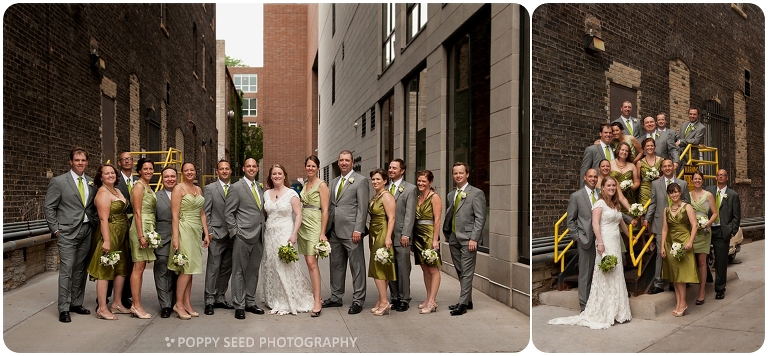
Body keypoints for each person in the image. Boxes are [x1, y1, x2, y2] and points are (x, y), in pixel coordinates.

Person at [549, 176, 632, 329]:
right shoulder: (599, 203)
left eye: (614, 186)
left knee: (616, 274)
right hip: (605, 242)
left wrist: (631, 237)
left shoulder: (615, 204)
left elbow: (621, 223)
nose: (612, 188)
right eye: (608, 185)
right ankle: (603, 311)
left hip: (615, 243)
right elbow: (595, 223)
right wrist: (600, 242)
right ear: (603, 187)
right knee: (606, 275)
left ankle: (617, 311)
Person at [44, 148, 98, 323]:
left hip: (87, 230)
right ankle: (64, 308)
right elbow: (49, 206)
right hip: (67, 232)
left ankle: (76, 302)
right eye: (77, 160)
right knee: (67, 269)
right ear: (71, 162)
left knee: (80, 269)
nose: (80, 163)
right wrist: (55, 229)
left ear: (87, 162)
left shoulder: (91, 182)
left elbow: (91, 207)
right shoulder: (59, 181)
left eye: (83, 160)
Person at [258, 164, 315, 315]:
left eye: (279, 173)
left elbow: (299, 215)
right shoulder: (266, 194)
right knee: (271, 264)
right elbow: (265, 214)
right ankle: (274, 298)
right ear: (270, 176)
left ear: (284, 176)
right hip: (270, 233)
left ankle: (285, 301)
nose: (277, 176)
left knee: (283, 265)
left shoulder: (291, 194)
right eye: (274, 174)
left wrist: (294, 234)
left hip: (285, 232)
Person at [322, 150, 370, 315]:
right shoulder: (334, 181)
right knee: (336, 265)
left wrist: (358, 229)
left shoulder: (361, 181)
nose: (344, 163)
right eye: (341, 160)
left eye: (347, 160)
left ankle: (358, 300)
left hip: (352, 232)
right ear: (338, 162)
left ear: (352, 162)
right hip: (334, 230)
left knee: (357, 267)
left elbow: (363, 208)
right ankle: (336, 296)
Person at [225, 158, 267, 320]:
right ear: (243, 168)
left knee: (253, 271)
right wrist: (235, 232)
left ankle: (250, 302)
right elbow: (229, 213)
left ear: (257, 169)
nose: (251, 168)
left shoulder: (259, 187)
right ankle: (239, 304)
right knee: (239, 271)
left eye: (254, 166)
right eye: (248, 166)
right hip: (242, 235)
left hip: (259, 236)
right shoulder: (236, 188)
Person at [86, 164, 129, 320]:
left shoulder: (117, 191)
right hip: (109, 233)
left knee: (121, 268)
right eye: (107, 173)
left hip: (121, 233)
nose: (110, 175)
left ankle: (116, 303)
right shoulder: (103, 193)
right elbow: (103, 219)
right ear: (101, 177)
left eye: (112, 172)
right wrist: (106, 241)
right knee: (105, 269)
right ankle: (102, 308)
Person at [443, 162, 487, 316]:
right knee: (460, 270)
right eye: (455, 173)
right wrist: (448, 235)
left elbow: (480, 218)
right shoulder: (451, 195)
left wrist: (474, 238)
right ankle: (467, 300)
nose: (458, 176)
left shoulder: (476, 193)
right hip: (454, 238)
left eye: (461, 173)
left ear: (467, 174)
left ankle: (462, 304)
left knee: (467, 271)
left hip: (469, 239)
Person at [169, 162, 211, 319]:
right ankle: (178, 304)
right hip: (184, 229)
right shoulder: (178, 189)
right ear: (182, 172)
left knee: (191, 269)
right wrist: (175, 238)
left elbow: (202, 213)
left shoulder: (198, 189)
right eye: (186, 170)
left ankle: (187, 303)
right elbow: (174, 216)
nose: (189, 172)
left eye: (192, 170)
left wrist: (206, 233)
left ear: (195, 171)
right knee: (186, 269)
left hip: (196, 231)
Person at [645, 158, 690, 294]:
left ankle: (674, 281)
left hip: (678, 224)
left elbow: (687, 203)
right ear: (662, 168)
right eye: (664, 166)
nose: (667, 168)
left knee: (677, 251)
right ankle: (658, 283)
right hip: (660, 223)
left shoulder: (683, 183)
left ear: (673, 167)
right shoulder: (655, 184)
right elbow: (653, 203)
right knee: (661, 253)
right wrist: (647, 218)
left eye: (669, 165)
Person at [297, 156, 330, 317]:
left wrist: (322, 232)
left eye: (313, 166)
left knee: (312, 263)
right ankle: (317, 296)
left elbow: (325, 210)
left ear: (318, 168)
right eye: (308, 166)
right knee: (308, 262)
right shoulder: (305, 184)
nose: (310, 168)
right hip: (303, 225)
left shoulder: (321, 185)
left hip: (315, 224)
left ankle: (317, 300)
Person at [660, 183, 699, 317]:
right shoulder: (666, 210)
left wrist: (690, 242)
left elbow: (695, 225)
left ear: (680, 192)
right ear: (668, 195)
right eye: (671, 192)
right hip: (670, 243)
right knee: (674, 275)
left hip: (684, 242)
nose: (674, 194)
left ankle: (683, 303)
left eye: (676, 192)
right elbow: (664, 229)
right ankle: (679, 303)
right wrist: (662, 246)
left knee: (681, 275)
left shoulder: (687, 207)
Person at [203, 160, 235, 315]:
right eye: (221, 169)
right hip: (216, 234)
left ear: (230, 171)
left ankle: (220, 297)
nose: (224, 171)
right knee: (213, 268)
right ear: (217, 171)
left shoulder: (236, 188)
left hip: (232, 235)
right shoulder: (210, 189)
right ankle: (209, 299)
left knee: (226, 269)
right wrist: (208, 232)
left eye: (227, 168)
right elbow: (206, 212)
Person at [126, 157, 157, 319]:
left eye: (151, 168)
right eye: (145, 169)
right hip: (141, 227)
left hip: (148, 225)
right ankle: (136, 306)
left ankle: (136, 304)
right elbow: (137, 212)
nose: (148, 171)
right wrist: (141, 236)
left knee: (141, 267)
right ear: (139, 171)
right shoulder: (138, 186)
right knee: (138, 267)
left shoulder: (147, 186)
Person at [386, 159, 417, 312]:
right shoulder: (385, 188)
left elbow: (410, 214)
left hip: (401, 235)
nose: (391, 170)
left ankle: (404, 298)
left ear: (402, 170)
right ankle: (394, 297)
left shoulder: (410, 189)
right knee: (390, 265)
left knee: (403, 268)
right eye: (390, 167)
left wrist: (406, 234)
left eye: (394, 168)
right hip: (387, 235)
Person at [567, 168, 600, 312]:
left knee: (601, 272)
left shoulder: (602, 194)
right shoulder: (576, 196)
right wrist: (577, 237)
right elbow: (570, 220)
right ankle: (584, 305)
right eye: (590, 176)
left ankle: (598, 303)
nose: (593, 179)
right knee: (585, 274)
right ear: (585, 178)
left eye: (595, 177)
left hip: (602, 239)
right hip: (585, 239)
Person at [706, 169, 741, 300]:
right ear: (716, 177)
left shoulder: (733, 195)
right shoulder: (709, 190)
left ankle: (720, 289)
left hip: (722, 231)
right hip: (708, 229)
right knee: (701, 256)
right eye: (718, 175)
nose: (720, 177)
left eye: (723, 175)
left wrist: (732, 231)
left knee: (721, 261)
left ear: (727, 178)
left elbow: (737, 216)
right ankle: (707, 277)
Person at [367, 168, 397, 316]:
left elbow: (391, 218)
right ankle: (381, 300)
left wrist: (388, 236)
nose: (375, 181)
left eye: (378, 179)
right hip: (374, 231)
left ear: (385, 181)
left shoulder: (386, 196)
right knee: (381, 266)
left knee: (378, 266)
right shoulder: (376, 195)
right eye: (373, 179)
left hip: (382, 232)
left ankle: (385, 302)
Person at [413, 170, 443, 314]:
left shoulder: (434, 197)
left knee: (433, 269)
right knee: (425, 268)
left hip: (429, 235)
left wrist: (435, 239)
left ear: (430, 182)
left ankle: (432, 301)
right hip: (418, 235)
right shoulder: (418, 197)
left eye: (424, 181)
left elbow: (437, 219)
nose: (421, 183)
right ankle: (428, 297)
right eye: (419, 181)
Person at [153, 166, 178, 318]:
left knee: (177, 271)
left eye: (172, 176)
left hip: (180, 238)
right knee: (162, 271)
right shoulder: (156, 197)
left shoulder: (183, 194)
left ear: (177, 178)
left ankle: (176, 302)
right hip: (162, 238)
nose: (170, 179)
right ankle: (165, 305)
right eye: (167, 176)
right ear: (162, 179)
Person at [690, 170, 717, 304]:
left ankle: (702, 291)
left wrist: (707, 223)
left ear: (702, 180)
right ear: (692, 180)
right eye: (695, 179)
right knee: (691, 260)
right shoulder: (688, 195)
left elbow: (715, 213)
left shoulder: (708, 195)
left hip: (704, 231)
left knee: (702, 262)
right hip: (691, 231)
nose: (697, 181)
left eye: (699, 179)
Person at [113, 151, 136, 308]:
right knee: (114, 260)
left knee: (130, 261)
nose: (127, 161)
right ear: (119, 162)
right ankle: (105, 297)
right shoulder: (114, 180)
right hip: (118, 225)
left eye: (129, 159)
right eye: (124, 159)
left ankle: (125, 296)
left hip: (135, 225)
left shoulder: (138, 181)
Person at [610, 141, 640, 213]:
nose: (624, 152)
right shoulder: (610, 163)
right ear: (618, 150)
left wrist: (630, 187)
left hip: (629, 198)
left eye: (626, 151)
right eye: (622, 150)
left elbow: (637, 182)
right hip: (615, 198)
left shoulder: (632, 166)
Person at [638, 138, 662, 207]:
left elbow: (665, 176)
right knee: (645, 209)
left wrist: (659, 178)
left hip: (658, 188)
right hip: (644, 190)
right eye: (647, 146)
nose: (650, 147)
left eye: (652, 145)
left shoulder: (661, 160)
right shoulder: (639, 163)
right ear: (644, 148)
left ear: (655, 147)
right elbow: (638, 179)